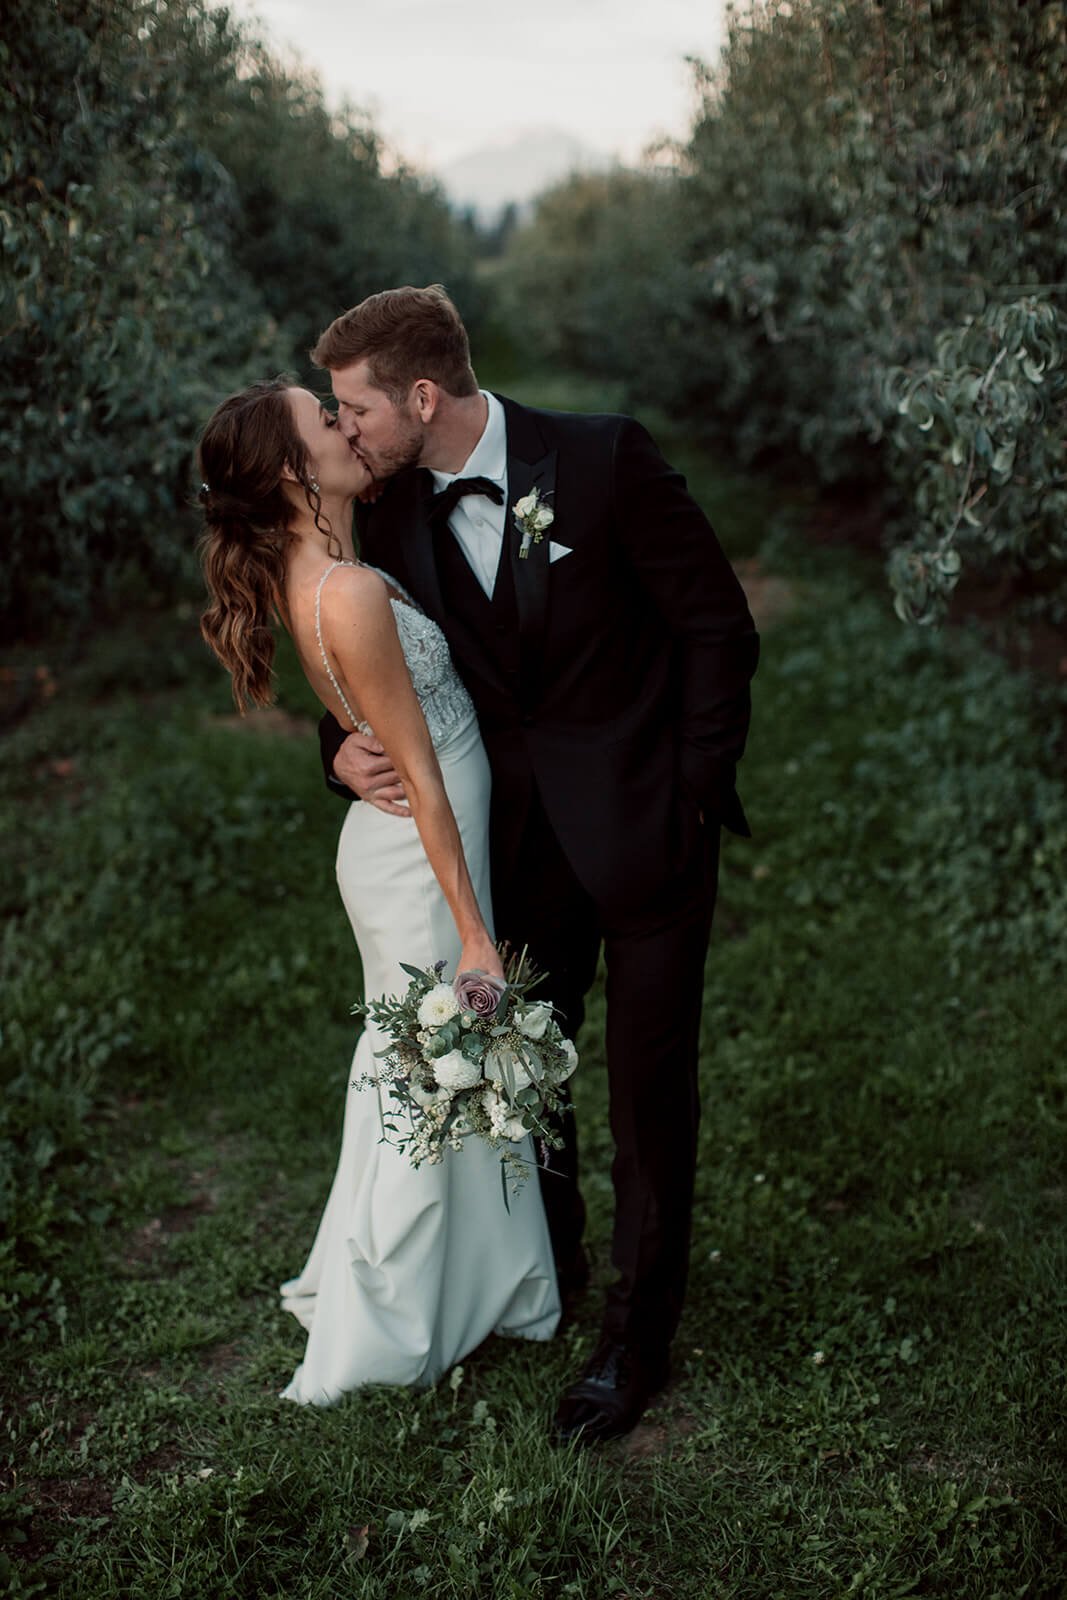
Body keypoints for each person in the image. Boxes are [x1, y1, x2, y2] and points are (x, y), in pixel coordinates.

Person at [314, 285, 760, 1444]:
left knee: (647, 1094)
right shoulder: (397, 513)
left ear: (421, 394)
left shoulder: (603, 459)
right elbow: (374, 662)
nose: (344, 430)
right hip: (511, 855)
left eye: (354, 408)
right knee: (530, 1080)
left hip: (648, 834)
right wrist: (339, 753)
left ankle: (636, 1335)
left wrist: (693, 792)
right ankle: (551, 1271)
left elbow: (715, 626)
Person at [197, 377, 560, 1405]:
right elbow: (428, 778)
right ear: (289, 471)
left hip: (405, 846)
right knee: (425, 1071)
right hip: (417, 858)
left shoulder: (323, 567)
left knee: (419, 1067)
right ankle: (385, 1330)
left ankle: (486, 1283)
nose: (347, 427)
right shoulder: (345, 589)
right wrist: (475, 931)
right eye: (326, 419)